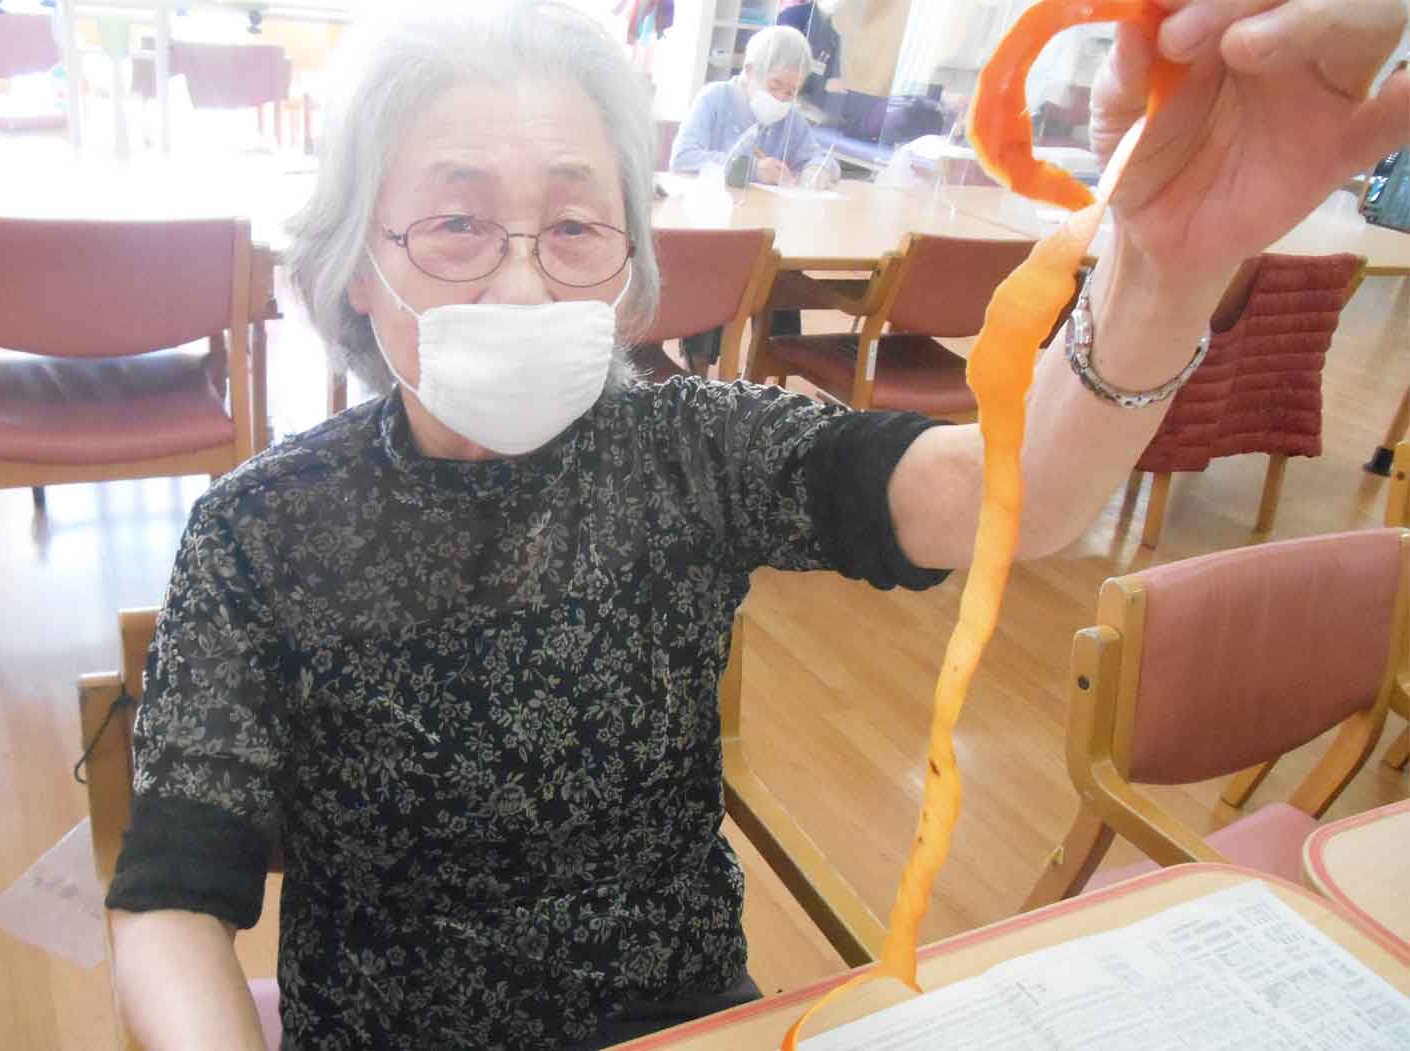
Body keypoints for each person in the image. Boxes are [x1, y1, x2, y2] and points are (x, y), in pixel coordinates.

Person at [104, 1, 1409, 1049]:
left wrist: (1166, 268)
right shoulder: (258, 530)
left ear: (630, 264)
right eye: (456, 224)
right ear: (355, 260)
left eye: (575, 225)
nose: (523, 280)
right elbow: (171, 896)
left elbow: (1015, 495)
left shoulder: (692, 449)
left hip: (689, 1015)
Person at [669, 24, 841, 188]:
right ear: (750, 71)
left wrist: (818, 169)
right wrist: (751, 169)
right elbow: (683, 158)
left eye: (791, 92)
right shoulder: (715, 98)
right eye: (774, 86)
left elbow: (821, 158)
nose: (781, 98)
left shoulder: (790, 115)